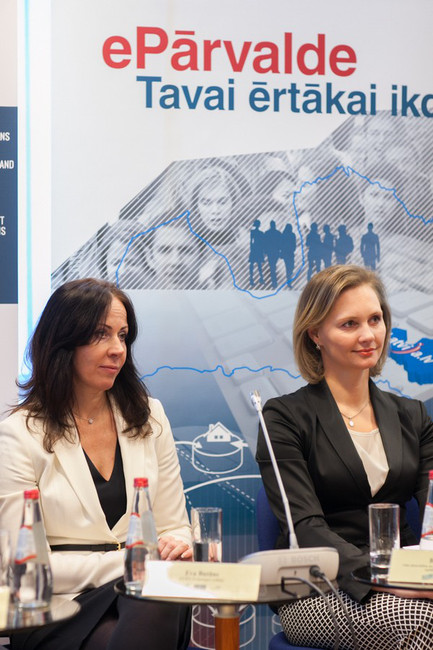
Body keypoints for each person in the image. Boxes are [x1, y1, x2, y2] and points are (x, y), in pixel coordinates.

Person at [0, 278, 192, 650]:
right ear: (63, 342)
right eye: (101, 334)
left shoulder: (149, 416)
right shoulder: (18, 434)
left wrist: (176, 546)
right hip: (55, 606)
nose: (117, 349)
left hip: (145, 592)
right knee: (150, 599)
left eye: (123, 336)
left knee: (154, 596)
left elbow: (175, 526)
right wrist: (132, 563)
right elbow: (23, 566)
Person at [256, 265, 433, 649]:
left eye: (375, 319)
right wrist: (384, 576)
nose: (368, 335)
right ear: (315, 334)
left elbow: (432, 504)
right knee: (421, 619)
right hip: (317, 588)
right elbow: (304, 527)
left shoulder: (413, 415)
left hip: (409, 580)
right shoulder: (283, 417)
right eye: (350, 324)